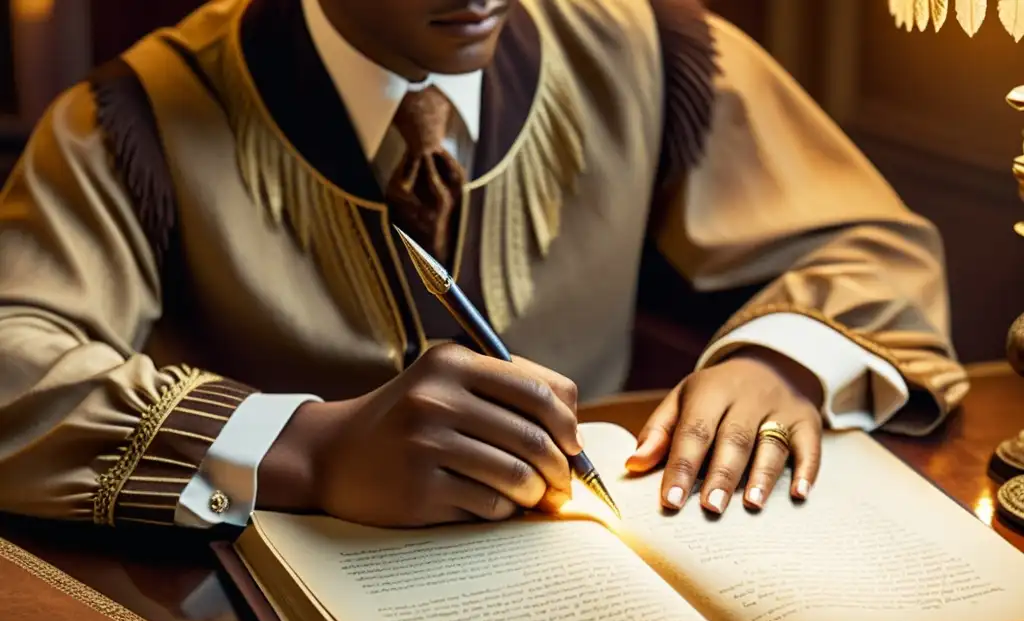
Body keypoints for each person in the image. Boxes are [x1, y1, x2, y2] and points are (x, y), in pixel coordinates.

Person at [0, 0, 966, 532]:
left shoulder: (651, 46)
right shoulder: (131, 117)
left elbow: (871, 245)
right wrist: (308, 449)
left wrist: (781, 358)